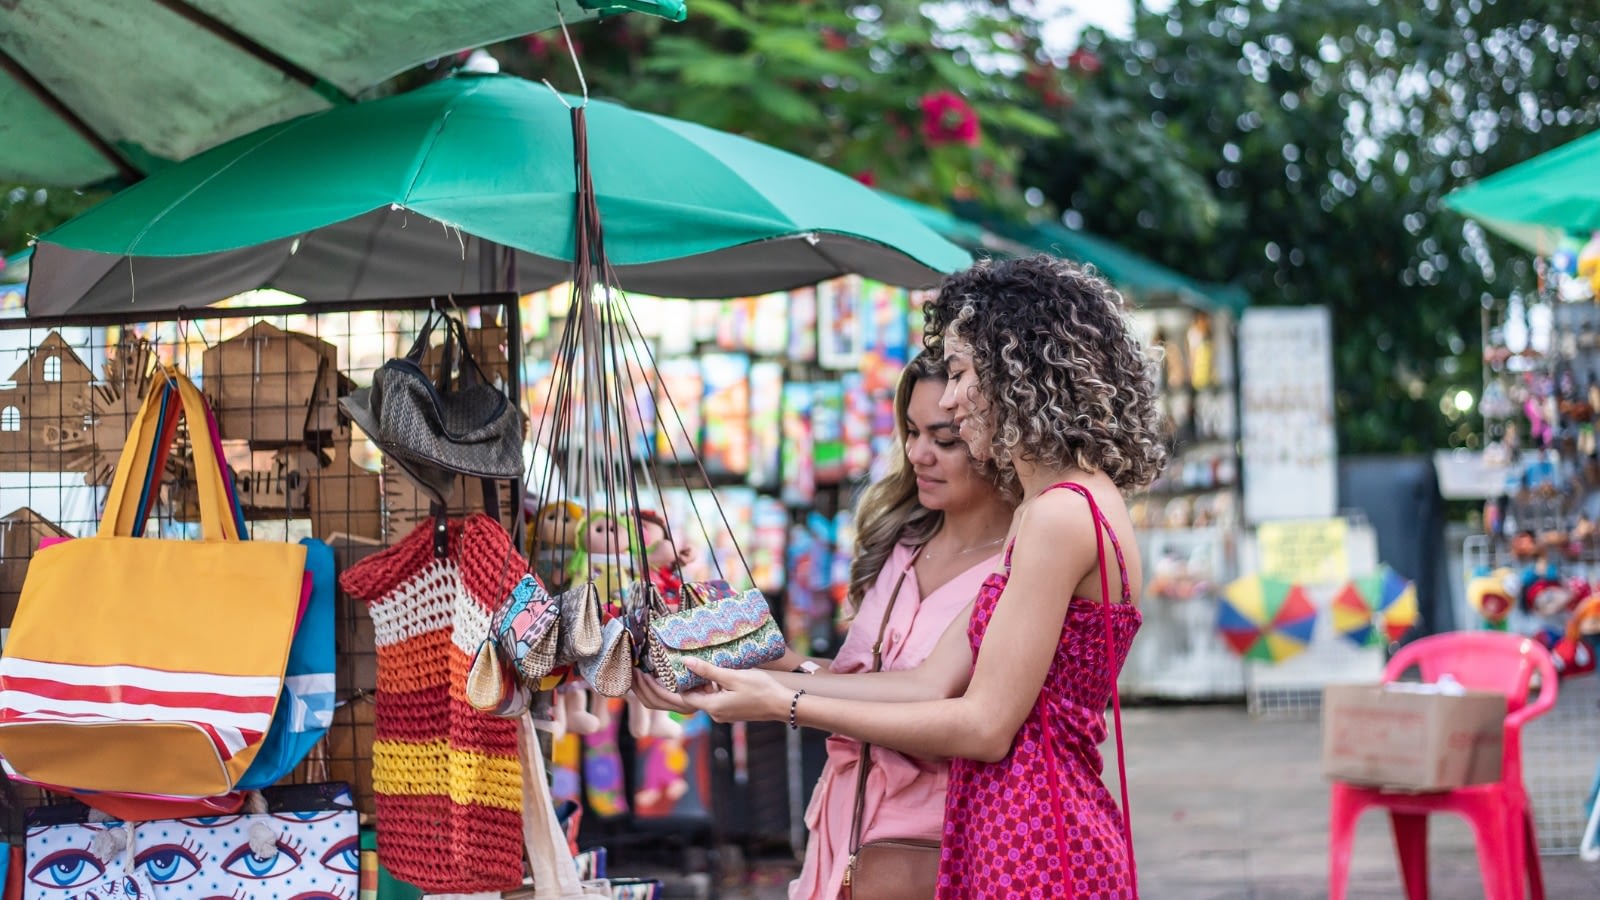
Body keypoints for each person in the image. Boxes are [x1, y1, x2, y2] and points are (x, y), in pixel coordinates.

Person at [642, 256, 1167, 897]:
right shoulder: (1059, 504)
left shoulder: (1060, 514)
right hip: (1021, 830)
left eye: (964, 374)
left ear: (1017, 376)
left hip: (1035, 840)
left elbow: (982, 726)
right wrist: (754, 679)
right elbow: (924, 683)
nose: (949, 396)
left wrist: (783, 703)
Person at [772, 351, 1017, 899]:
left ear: (998, 440)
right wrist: (765, 661)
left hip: (938, 843)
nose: (918, 454)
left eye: (944, 439)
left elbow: (939, 701)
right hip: (842, 827)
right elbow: (864, 682)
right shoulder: (901, 542)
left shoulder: (1018, 567)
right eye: (910, 432)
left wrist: (776, 695)